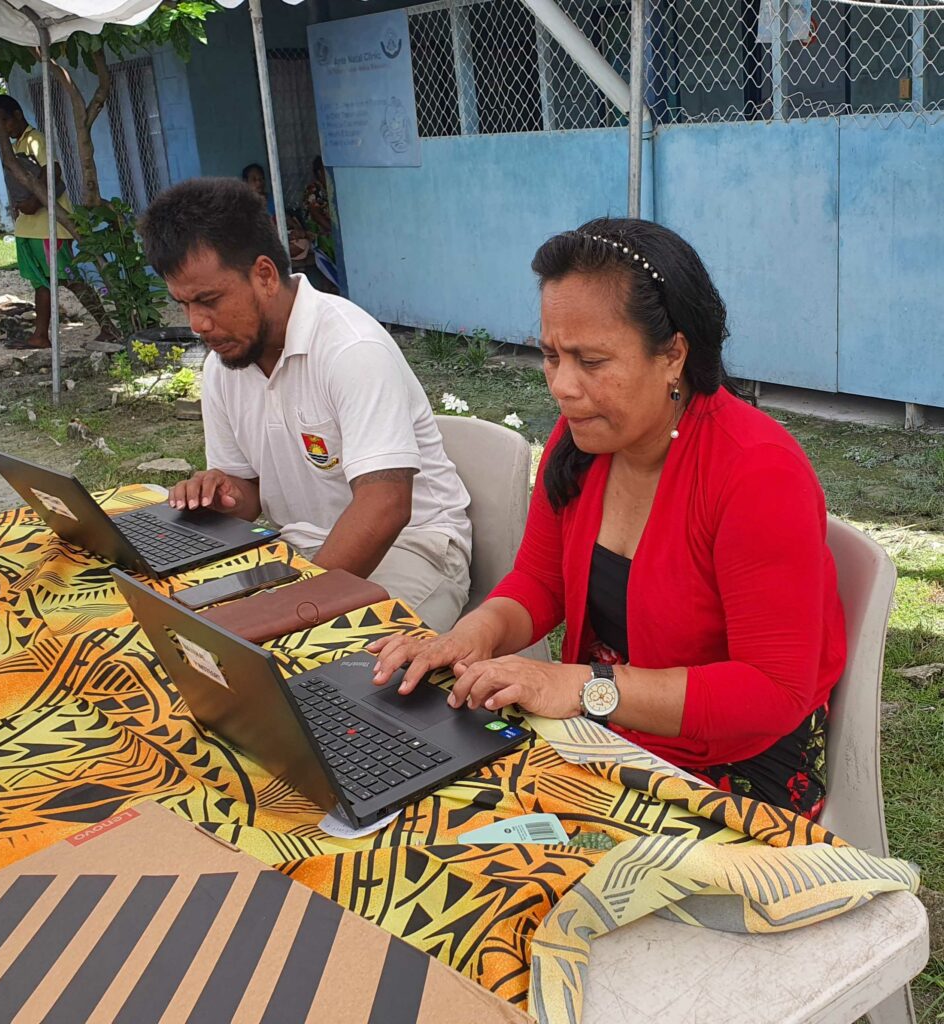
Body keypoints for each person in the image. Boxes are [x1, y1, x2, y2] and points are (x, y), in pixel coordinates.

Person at [370, 217, 847, 819]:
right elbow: (538, 585)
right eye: (550, 355)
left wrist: (582, 687)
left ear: (673, 354)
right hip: (607, 726)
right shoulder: (583, 445)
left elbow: (771, 692)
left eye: (591, 360)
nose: (563, 387)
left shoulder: (757, 474)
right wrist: (469, 637)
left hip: (731, 762)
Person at [138, 178, 472, 632]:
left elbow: (386, 506)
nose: (197, 323)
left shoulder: (350, 349)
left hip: (413, 548)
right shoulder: (225, 363)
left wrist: (296, 607)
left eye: (209, 300)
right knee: (182, 626)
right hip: (297, 548)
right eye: (183, 304)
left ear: (265, 275)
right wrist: (220, 492)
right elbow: (247, 492)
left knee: (312, 660)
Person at [0, 95, 116, 350]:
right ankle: (40, 335)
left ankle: (108, 327)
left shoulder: (34, 139)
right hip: (29, 228)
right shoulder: (14, 146)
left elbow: (53, 170)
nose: (2, 128)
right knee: (41, 282)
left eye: (4, 120)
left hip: (48, 228)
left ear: (17, 114)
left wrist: (36, 202)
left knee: (70, 278)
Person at [241, 163, 311, 263]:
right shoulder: (245, 204)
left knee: (304, 244)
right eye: (254, 180)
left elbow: (284, 217)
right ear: (246, 182)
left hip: (278, 240)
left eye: (261, 179)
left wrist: (297, 229)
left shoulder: (272, 199)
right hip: (261, 242)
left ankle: (272, 257)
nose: (259, 183)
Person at [302, 155, 335, 263]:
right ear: (319, 173)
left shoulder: (331, 189)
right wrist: (332, 229)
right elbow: (315, 214)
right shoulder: (314, 189)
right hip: (317, 229)